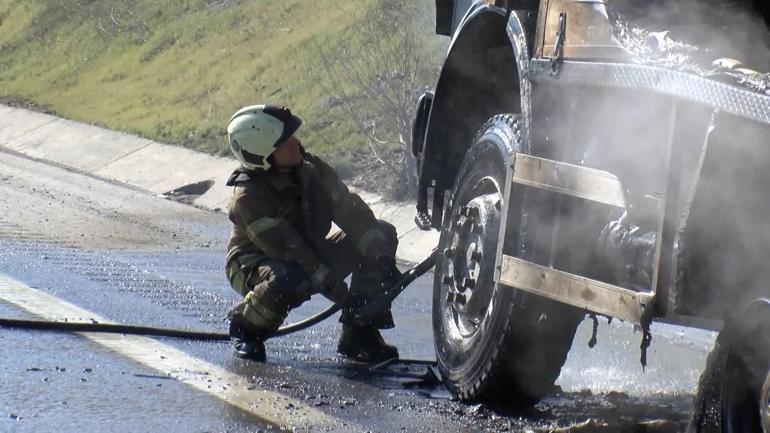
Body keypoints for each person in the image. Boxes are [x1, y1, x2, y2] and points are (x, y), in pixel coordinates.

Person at [224, 104, 401, 363]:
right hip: (255, 263)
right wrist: (337, 290)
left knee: (380, 234)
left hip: (308, 252)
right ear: (262, 153)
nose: (296, 143)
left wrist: (380, 258)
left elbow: (351, 212)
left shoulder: (312, 170)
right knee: (289, 279)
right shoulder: (248, 197)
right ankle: (246, 327)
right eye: (286, 141)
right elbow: (290, 249)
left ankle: (358, 334)